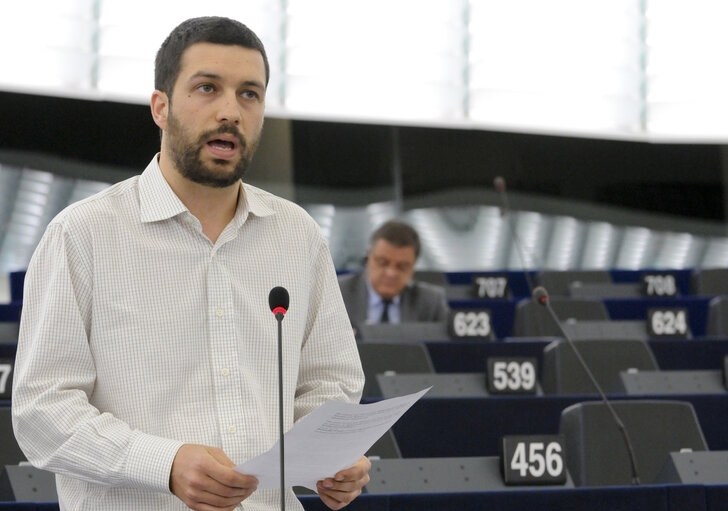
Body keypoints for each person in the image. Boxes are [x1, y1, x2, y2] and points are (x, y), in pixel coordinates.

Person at [12, 16, 369, 511]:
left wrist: (329, 455)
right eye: (207, 88)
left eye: (250, 94)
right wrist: (165, 464)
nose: (231, 111)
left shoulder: (298, 236)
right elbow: (42, 412)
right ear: (161, 107)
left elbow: (327, 381)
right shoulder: (83, 236)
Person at [338, 220, 449, 329]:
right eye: (383, 263)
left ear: (413, 266)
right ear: (368, 257)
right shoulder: (338, 293)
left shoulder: (431, 302)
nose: (391, 273)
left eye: (402, 267)